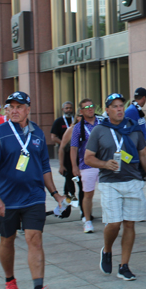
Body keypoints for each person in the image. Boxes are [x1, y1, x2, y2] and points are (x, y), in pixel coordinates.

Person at [0, 91, 64, 289]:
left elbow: (45, 167)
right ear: (7, 110)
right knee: (7, 240)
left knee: (34, 239)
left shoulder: (37, 133)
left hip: (33, 197)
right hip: (7, 199)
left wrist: (55, 194)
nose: (15, 110)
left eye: (20, 106)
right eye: (12, 107)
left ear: (28, 109)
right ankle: (10, 281)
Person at [84, 93, 146, 281]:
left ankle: (124, 265)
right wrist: (104, 164)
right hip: (110, 182)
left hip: (133, 180)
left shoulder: (133, 129)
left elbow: (142, 154)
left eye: (121, 106)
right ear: (107, 110)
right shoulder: (99, 130)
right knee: (114, 223)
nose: (119, 109)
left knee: (130, 223)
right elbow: (88, 158)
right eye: (114, 106)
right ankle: (107, 249)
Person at [71, 99, 103, 233]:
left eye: (91, 106)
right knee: (88, 194)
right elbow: (73, 148)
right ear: (81, 111)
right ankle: (87, 220)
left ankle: (109, 218)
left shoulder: (102, 122)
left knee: (107, 192)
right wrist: (74, 166)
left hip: (103, 163)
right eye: (86, 107)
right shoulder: (78, 127)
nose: (90, 109)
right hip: (87, 165)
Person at [59, 114, 84, 222]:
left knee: (83, 188)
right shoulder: (71, 129)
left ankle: (84, 212)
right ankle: (64, 209)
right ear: (77, 117)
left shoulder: (87, 128)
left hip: (81, 162)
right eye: (81, 116)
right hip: (69, 163)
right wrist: (61, 165)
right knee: (69, 190)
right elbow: (62, 148)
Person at [51, 101, 75, 197]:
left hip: (75, 151)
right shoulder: (59, 121)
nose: (68, 110)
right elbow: (53, 137)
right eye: (66, 108)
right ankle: (71, 194)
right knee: (68, 174)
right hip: (65, 152)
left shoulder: (75, 121)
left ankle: (67, 193)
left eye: (70, 108)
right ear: (62, 109)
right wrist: (64, 144)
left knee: (72, 174)